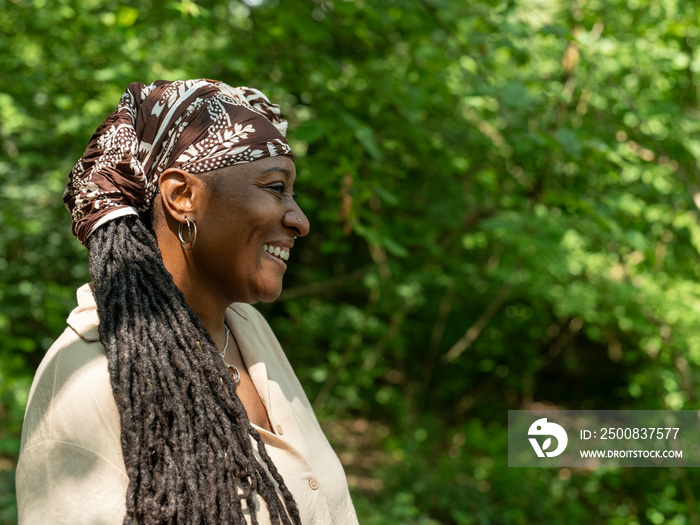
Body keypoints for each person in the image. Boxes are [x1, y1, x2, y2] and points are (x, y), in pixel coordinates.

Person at [16, 79, 359, 524]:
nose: (300, 221)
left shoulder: (247, 328)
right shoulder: (90, 380)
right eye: (276, 188)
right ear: (183, 196)